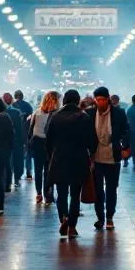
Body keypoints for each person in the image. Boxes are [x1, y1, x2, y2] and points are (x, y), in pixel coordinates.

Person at [45, 89, 95, 237]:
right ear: (78, 100)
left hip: (60, 159)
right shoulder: (84, 117)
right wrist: (91, 154)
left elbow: (48, 141)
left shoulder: (55, 116)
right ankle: (72, 227)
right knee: (75, 194)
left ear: (65, 100)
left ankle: (63, 218)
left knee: (61, 193)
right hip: (79, 160)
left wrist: (51, 156)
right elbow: (92, 141)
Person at [83, 86, 129, 231]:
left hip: (113, 158)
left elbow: (126, 131)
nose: (100, 102)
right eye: (98, 100)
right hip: (96, 159)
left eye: (103, 99)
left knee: (111, 189)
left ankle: (109, 217)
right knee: (98, 190)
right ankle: (100, 217)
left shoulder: (119, 113)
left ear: (108, 98)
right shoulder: (89, 114)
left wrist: (126, 148)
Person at [28, 91, 58, 204]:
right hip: (50, 144)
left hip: (37, 142)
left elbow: (30, 130)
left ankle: (39, 193)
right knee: (48, 170)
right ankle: (48, 194)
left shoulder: (37, 112)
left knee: (38, 169)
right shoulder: (56, 114)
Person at [2, 93, 26, 192]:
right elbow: (20, 128)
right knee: (15, 161)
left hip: (5, 141)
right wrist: (22, 141)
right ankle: (15, 179)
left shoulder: (1, 112)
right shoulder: (16, 112)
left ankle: (8, 183)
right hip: (15, 140)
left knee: (8, 163)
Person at [12, 90, 34, 180]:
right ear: (22, 96)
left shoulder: (13, 106)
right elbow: (31, 118)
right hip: (27, 132)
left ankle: (17, 173)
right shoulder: (28, 105)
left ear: (15, 96)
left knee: (17, 154)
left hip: (16, 133)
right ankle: (28, 172)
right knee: (28, 152)